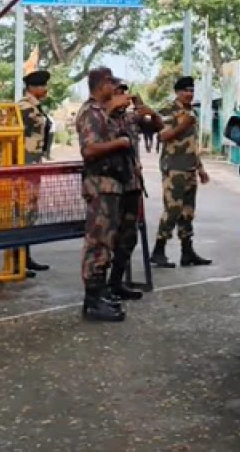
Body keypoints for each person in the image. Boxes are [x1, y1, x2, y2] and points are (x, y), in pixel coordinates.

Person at [75, 67, 136, 322]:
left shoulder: (106, 112)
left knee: (107, 242)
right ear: (102, 85)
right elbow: (89, 150)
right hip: (100, 184)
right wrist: (120, 143)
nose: (115, 87)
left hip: (113, 185)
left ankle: (100, 294)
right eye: (111, 82)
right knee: (97, 242)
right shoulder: (91, 112)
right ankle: (92, 302)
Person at [150, 76, 211, 268]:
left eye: (192, 90)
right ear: (177, 92)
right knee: (172, 210)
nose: (189, 94)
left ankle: (187, 252)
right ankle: (158, 250)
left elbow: (191, 145)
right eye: (185, 90)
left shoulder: (190, 111)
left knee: (187, 212)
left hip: (189, 167)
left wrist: (200, 168)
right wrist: (183, 124)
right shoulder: (168, 110)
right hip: (174, 167)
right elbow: (163, 135)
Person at [108, 82, 160, 301]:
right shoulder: (100, 117)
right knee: (105, 239)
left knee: (128, 237)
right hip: (109, 186)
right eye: (118, 92)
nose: (123, 97)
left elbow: (157, 127)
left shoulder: (130, 118)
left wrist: (148, 110)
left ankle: (116, 282)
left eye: (124, 92)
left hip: (131, 185)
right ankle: (99, 289)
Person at [18, 70, 54, 276]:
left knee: (29, 212)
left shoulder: (34, 107)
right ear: (32, 88)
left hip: (32, 165)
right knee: (21, 213)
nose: (45, 89)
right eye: (42, 85)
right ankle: (17, 261)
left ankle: (26, 257)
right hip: (24, 165)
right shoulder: (24, 108)